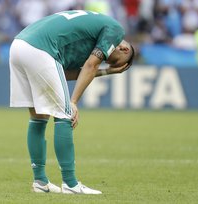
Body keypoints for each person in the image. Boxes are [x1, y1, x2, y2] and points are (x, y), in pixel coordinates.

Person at [9, 10, 135, 194]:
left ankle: (40, 181)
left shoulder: (85, 39)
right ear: (124, 49)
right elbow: (91, 65)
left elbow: (61, 73)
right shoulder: (115, 30)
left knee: (38, 116)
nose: (108, 63)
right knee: (65, 114)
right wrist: (73, 102)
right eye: (115, 62)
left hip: (19, 46)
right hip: (40, 49)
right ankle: (70, 183)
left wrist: (107, 72)